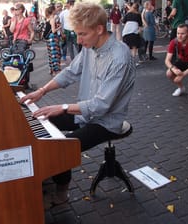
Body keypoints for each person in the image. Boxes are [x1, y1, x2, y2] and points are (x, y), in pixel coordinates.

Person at [20, 2, 136, 207]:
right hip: (86, 114)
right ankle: (45, 173)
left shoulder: (119, 57)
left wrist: (63, 107)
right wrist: (41, 91)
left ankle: (62, 193)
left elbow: (101, 106)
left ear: (99, 29)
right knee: (38, 119)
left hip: (106, 122)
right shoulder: (91, 47)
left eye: (82, 34)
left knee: (60, 147)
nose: (79, 40)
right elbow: (70, 72)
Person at [43, 5, 62, 76]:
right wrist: (59, 27)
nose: (56, 10)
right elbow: (53, 30)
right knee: (55, 54)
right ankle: (56, 71)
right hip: (53, 38)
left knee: (50, 55)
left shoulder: (47, 18)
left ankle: (52, 70)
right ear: (53, 10)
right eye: (55, 9)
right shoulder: (53, 19)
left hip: (48, 39)